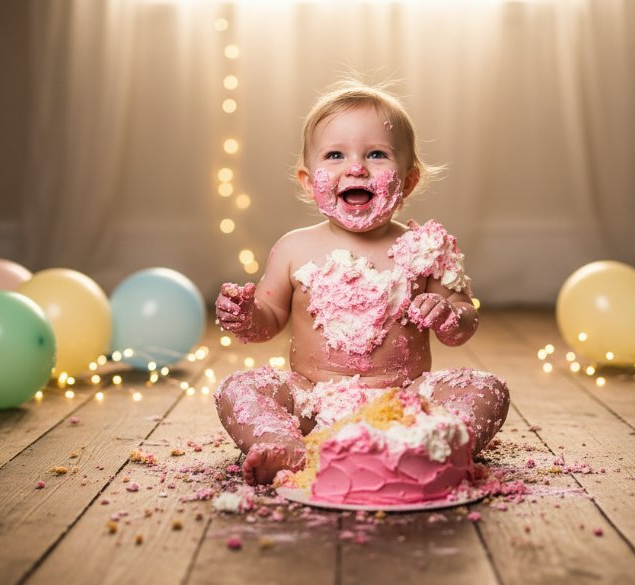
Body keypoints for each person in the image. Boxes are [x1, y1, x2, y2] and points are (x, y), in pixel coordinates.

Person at [214, 80, 509, 485]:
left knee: (485, 389)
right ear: (308, 181)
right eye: (335, 155)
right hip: (311, 400)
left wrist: (449, 315)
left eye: (376, 154)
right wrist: (247, 316)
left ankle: (432, 445)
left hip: (406, 402)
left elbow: (464, 320)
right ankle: (282, 443)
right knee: (240, 387)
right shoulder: (294, 248)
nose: (356, 168)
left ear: (408, 181)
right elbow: (270, 318)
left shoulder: (424, 248)